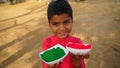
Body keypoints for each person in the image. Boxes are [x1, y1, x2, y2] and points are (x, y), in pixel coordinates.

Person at [41, 0, 90, 68]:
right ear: (50, 25)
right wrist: (50, 66)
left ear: (72, 21)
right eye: (55, 24)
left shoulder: (77, 42)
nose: (62, 28)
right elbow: (45, 65)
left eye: (66, 22)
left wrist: (77, 61)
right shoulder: (47, 42)